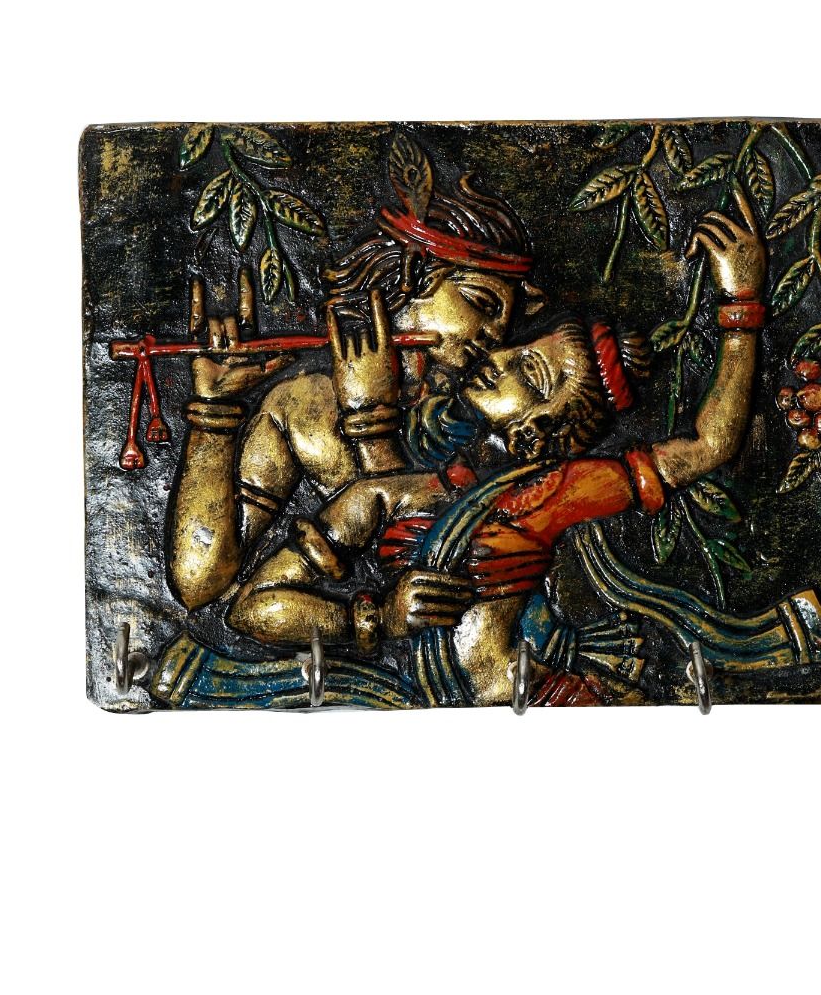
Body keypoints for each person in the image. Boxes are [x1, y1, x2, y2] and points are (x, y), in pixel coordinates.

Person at [223, 188, 772, 705]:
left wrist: (741, 303)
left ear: (537, 432)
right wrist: (374, 620)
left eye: (527, 373)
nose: (497, 354)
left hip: (548, 705)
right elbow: (251, 610)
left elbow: (710, 445)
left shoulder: (556, 491)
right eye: (517, 350)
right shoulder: (397, 490)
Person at [165, 133, 542, 612]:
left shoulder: (491, 408)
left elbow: (432, 557)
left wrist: (371, 422)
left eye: (505, 322)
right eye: (481, 303)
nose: (494, 335)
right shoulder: (305, 404)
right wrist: (214, 413)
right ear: (416, 275)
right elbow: (199, 584)